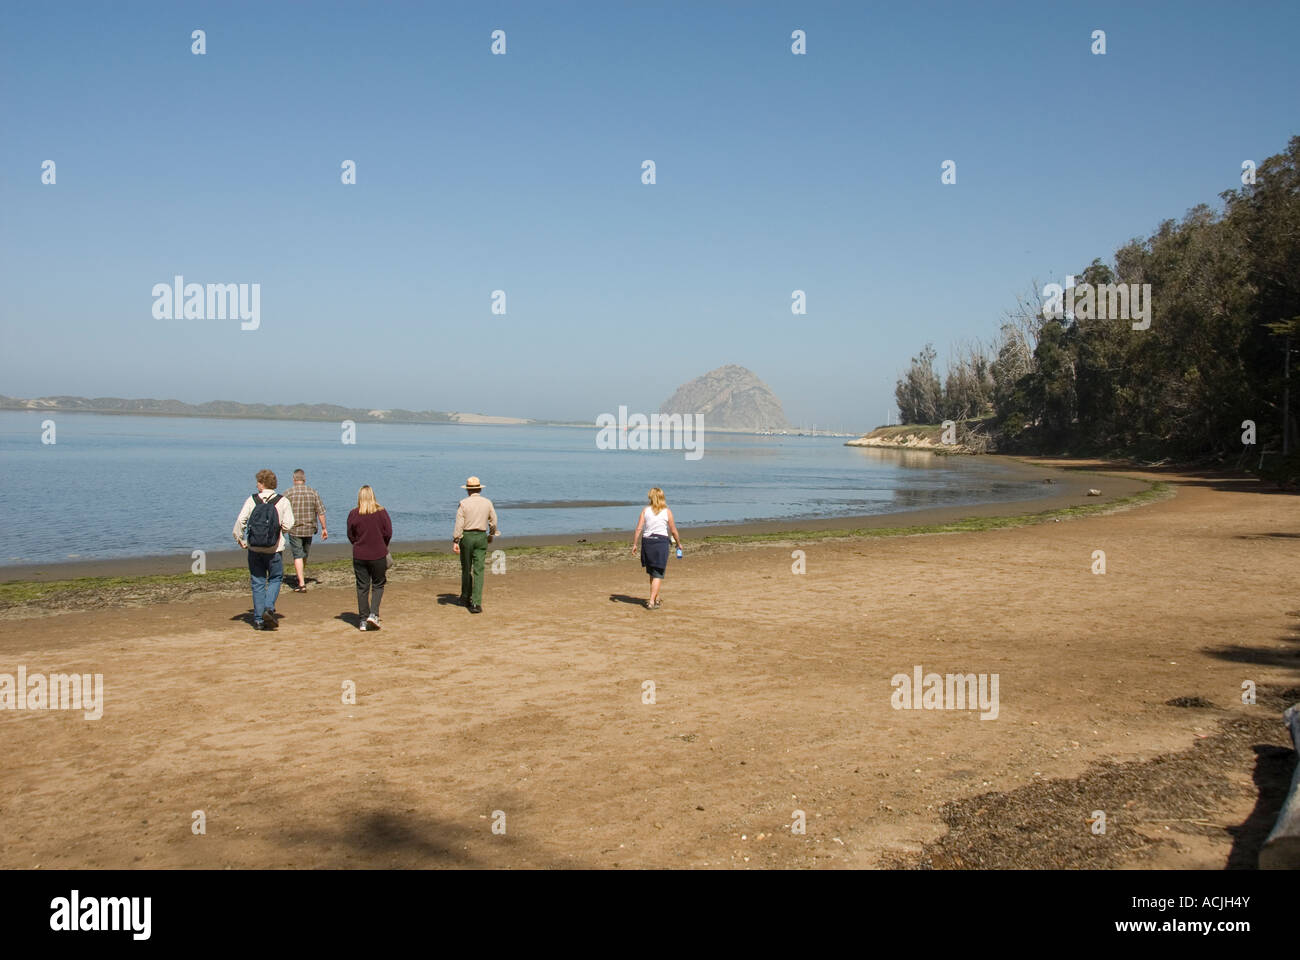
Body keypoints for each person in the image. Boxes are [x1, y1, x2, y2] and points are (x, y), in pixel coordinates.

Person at [233, 469, 296, 630]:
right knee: (275, 578)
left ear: (262, 484)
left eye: (258, 482)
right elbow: (289, 524)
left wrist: (239, 539)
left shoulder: (252, 500)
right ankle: (269, 607)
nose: (256, 484)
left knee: (258, 581)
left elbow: (241, 521)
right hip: (274, 548)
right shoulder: (282, 501)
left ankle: (259, 619)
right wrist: (280, 531)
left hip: (254, 547)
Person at [347, 485, 392, 631]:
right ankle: (372, 614)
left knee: (362, 587)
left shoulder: (354, 514)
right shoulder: (381, 512)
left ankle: (363, 620)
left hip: (360, 554)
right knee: (378, 585)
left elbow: (351, 535)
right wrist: (382, 544)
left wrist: (358, 543)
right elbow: (388, 532)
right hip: (377, 554)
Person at [452, 476, 498, 614]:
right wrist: (491, 534)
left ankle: (466, 596)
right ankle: (476, 602)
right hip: (481, 536)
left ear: (468, 490)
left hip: (467, 536)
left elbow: (459, 524)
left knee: (466, 567)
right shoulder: (487, 502)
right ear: (479, 489)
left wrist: (455, 540)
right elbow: (494, 521)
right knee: (479, 570)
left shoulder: (463, 503)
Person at [631, 486, 681, 610]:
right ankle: (652, 601)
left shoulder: (645, 510)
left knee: (653, 572)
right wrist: (678, 543)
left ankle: (656, 598)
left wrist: (635, 544)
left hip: (647, 542)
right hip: (660, 543)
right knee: (658, 573)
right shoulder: (667, 511)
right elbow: (673, 530)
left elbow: (638, 528)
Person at [284, 468, 328, 592]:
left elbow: (280, 510)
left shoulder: (288, 493)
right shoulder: (312, 492)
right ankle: (301, 578)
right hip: (309, 528)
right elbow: (321, 512)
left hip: (295, 529)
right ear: (304, 479)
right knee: (303, 553)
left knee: (298, 554)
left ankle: (301, 583)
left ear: (294, 479)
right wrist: (324, 528)